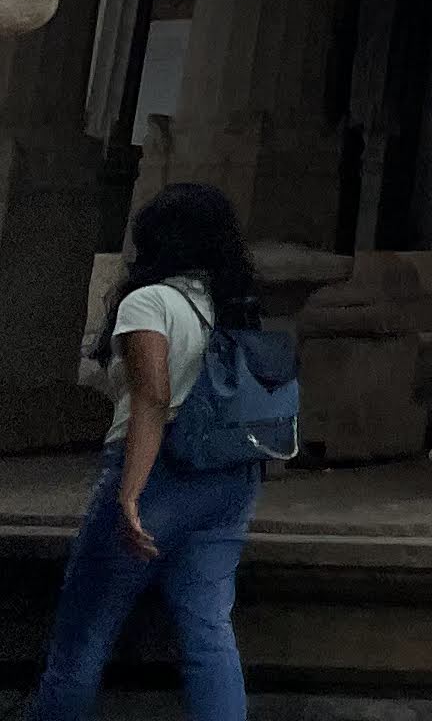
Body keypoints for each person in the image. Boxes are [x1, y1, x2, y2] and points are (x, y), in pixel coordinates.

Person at [31, 183, 269, 721]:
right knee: (209, 634)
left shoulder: (149, 301)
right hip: (229, 478)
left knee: (83, 636)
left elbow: (154, 394)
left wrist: (130, 492)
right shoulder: (231, 307)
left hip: (158, 472)